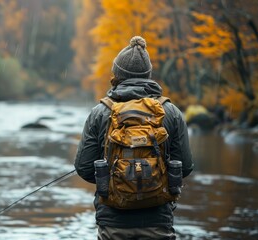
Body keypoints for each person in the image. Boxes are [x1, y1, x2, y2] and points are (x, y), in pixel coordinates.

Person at [74, 36, 193, 239]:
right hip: (158, 221)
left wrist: (118, 181)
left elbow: (84, 168)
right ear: (148, 75)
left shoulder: (100, 112)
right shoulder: (170, 112)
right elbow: (186, 166)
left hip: (113, 223)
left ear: (117, 74)